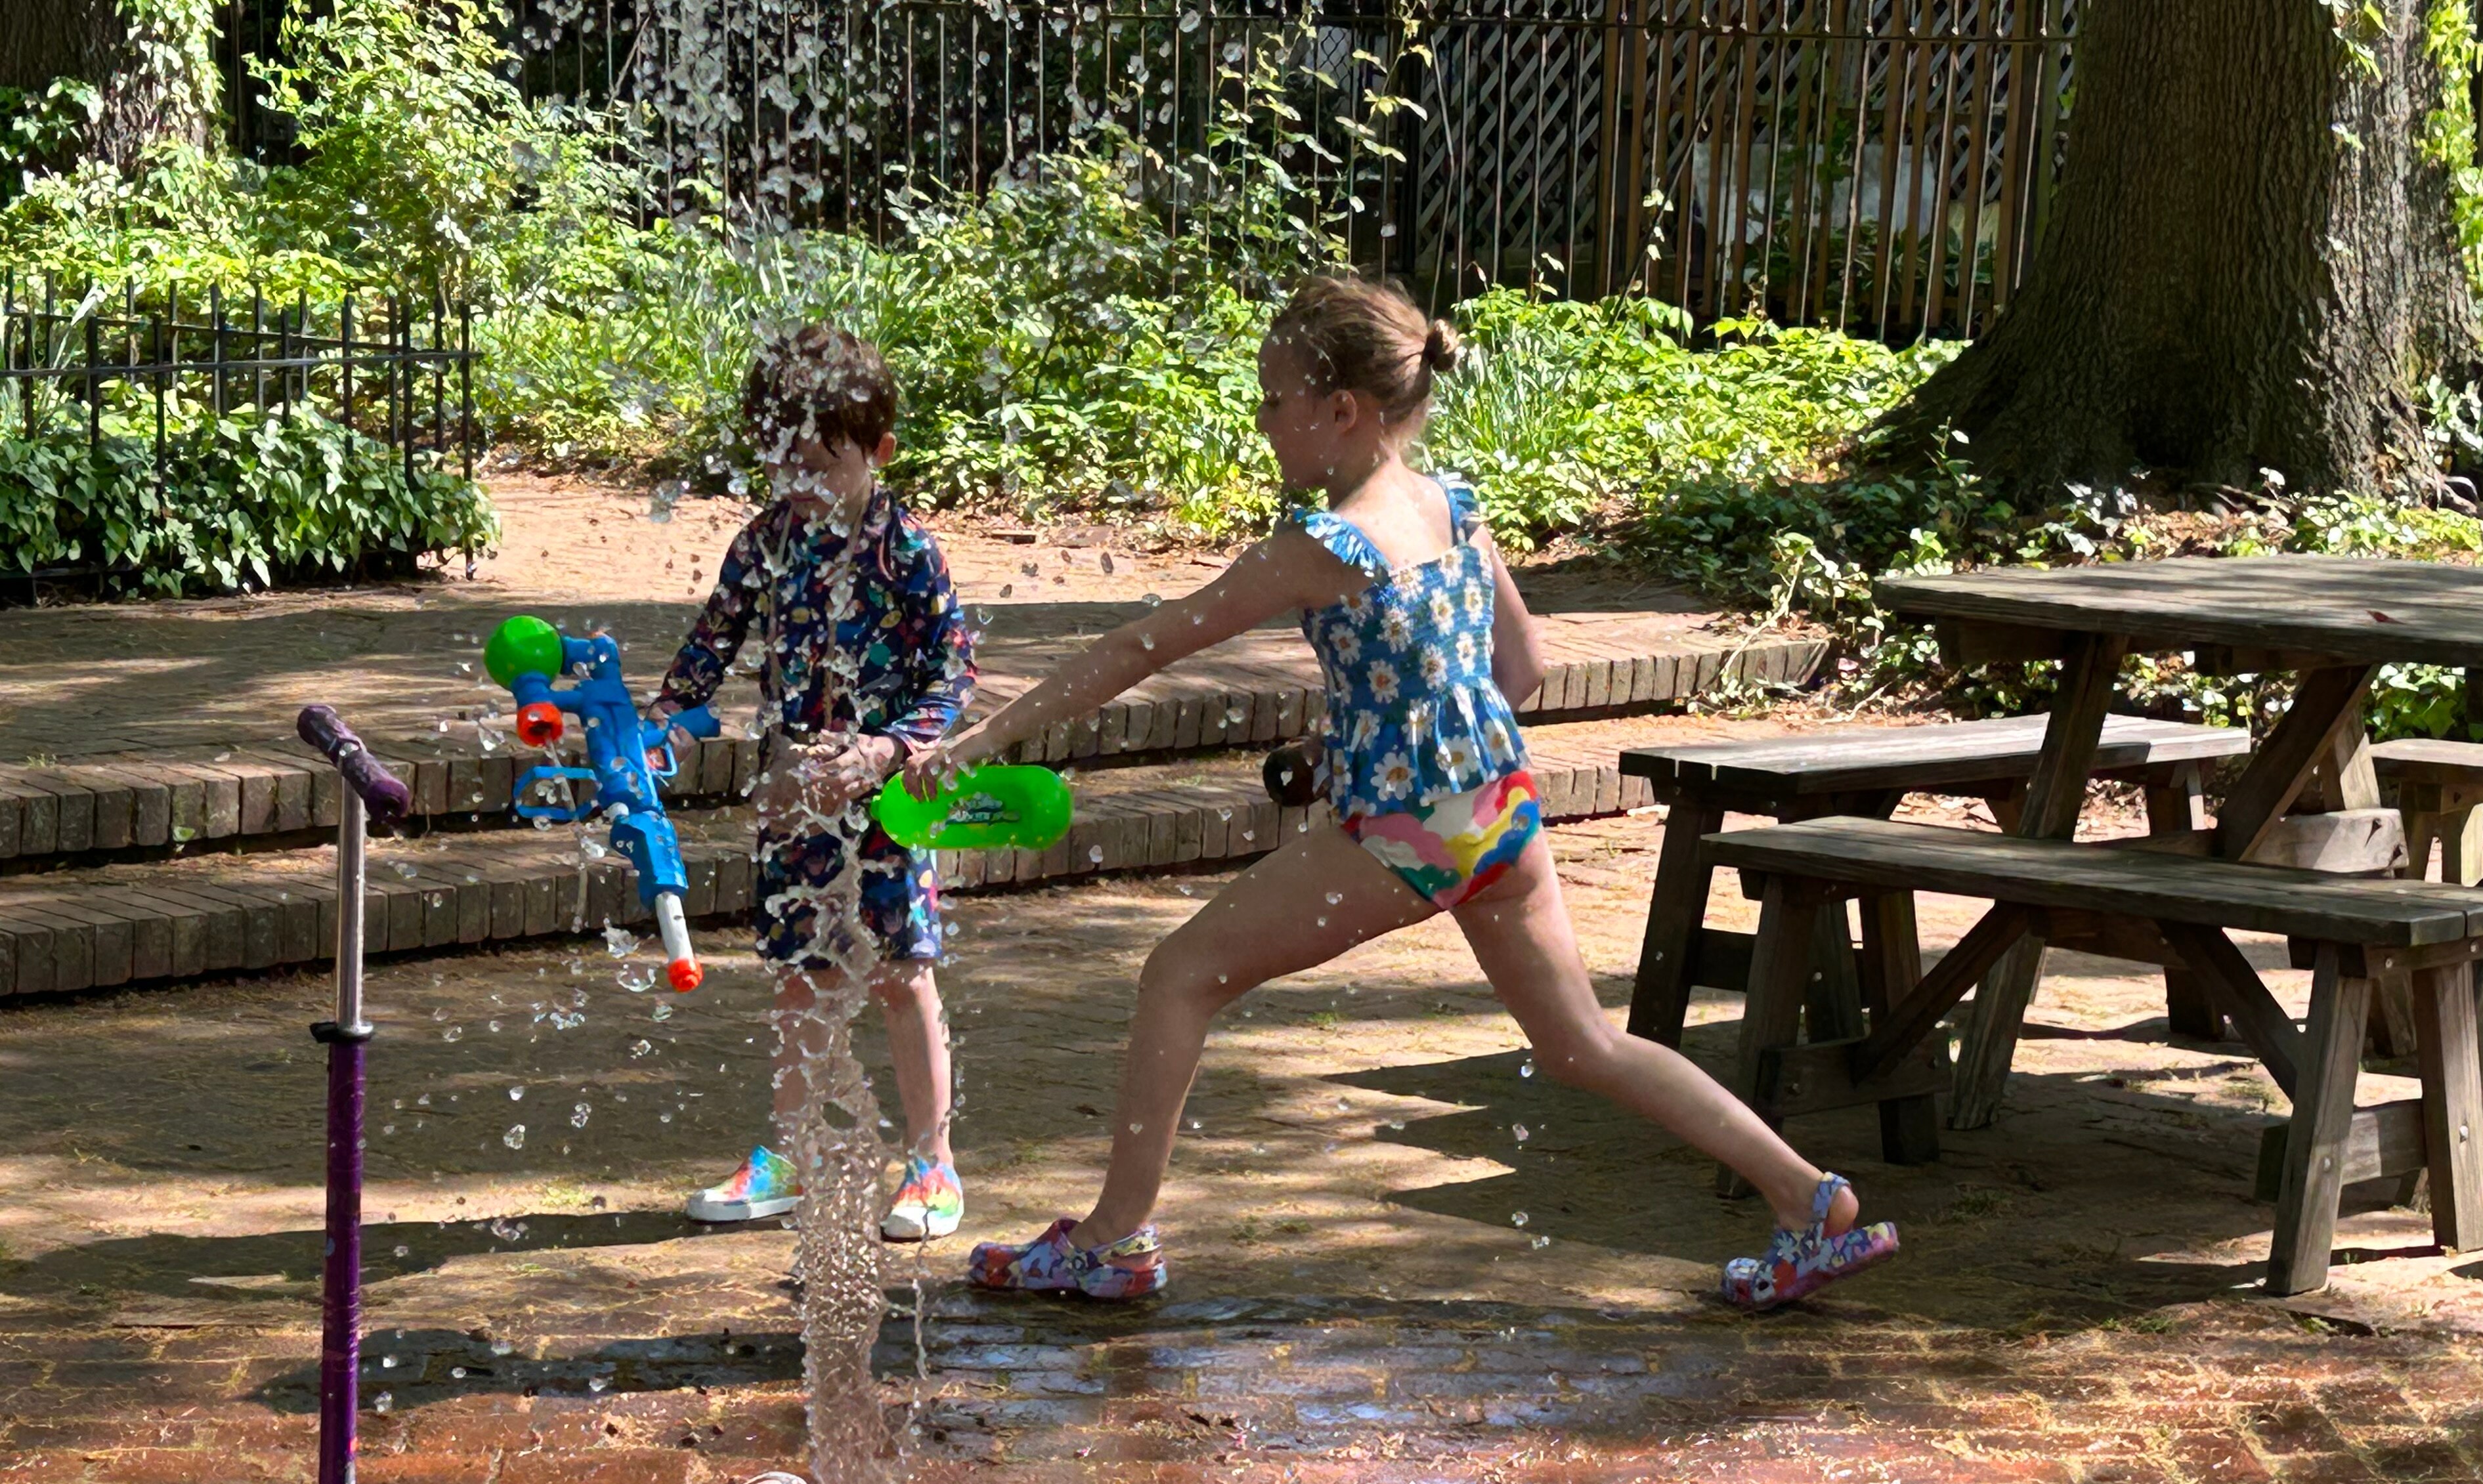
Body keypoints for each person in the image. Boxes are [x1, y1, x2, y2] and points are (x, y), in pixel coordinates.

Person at [905, 272, 1896, 1311]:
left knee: (1179, 974)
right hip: (1502, 811)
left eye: (1272, 400)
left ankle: (1113, 1239)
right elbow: (1522, 669)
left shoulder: (1324, 547)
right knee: (1582, 1045)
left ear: (1344, 410)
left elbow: (1145, 643)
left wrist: (981, 740)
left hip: (1413, 830)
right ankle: (1810, 1201)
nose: (1261, 424)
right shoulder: (1451, 506)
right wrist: (1367, 735)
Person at [653, 324, 972, 1242]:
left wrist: (890, 750)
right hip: (796, 795)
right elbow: (715, 638)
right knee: (800, 975)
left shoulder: (907, 550)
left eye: (820, 460)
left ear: (879, 451)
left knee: (903, 975)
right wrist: (667, 714)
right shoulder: (766, 543)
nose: (800, 480)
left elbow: (956, 675)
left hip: (888, 800)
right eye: (782, 458)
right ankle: (792, 1151)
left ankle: (932, 1164)